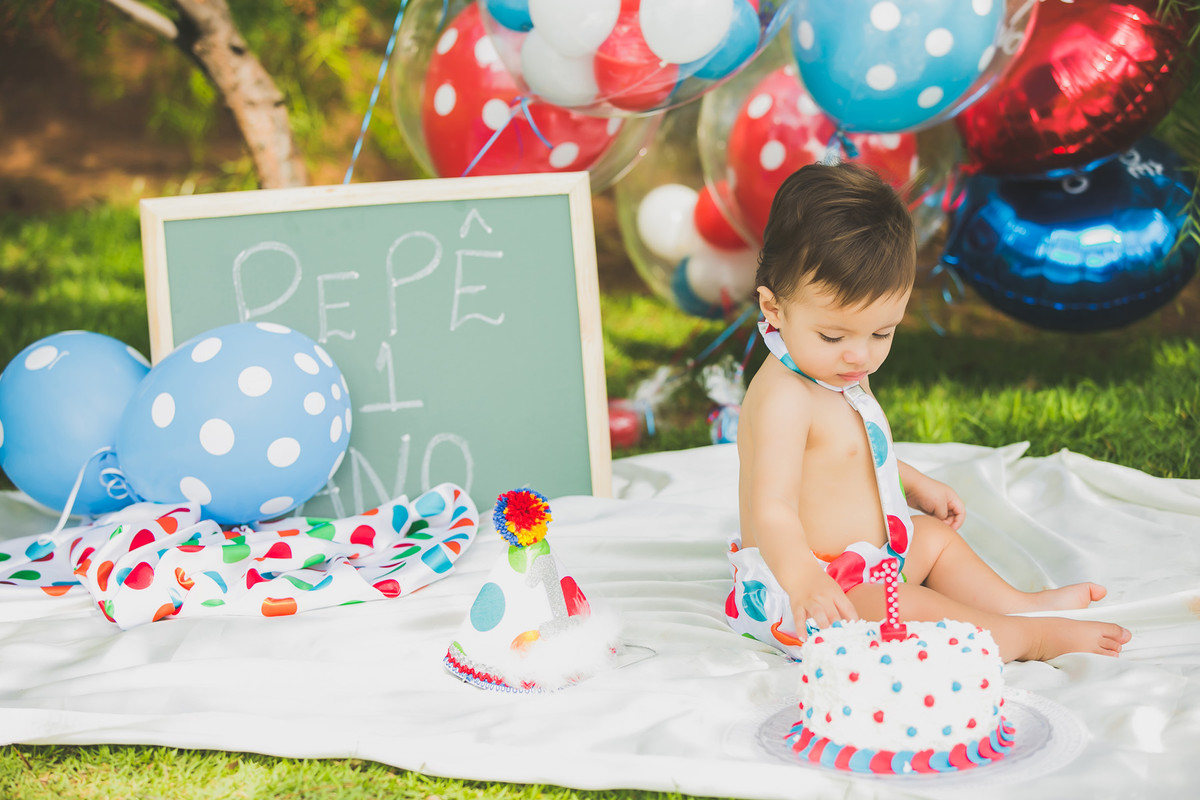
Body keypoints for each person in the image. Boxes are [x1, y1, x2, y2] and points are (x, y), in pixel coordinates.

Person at [727, 161, 1131, 663]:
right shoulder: (784, 396)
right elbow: (773, 507)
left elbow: (848, 454)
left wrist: (913, 482)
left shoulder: (836, 368)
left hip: (869, 565)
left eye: (882, 332)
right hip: (816, 591)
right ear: (773, 308)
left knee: (934, 539)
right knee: (906, 607)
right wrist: (805, 580)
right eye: (834, 336)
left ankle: (1016, 606)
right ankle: (1028, 639)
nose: (861, 355)